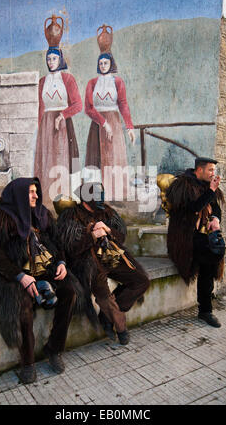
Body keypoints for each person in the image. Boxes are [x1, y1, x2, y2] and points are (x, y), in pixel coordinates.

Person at [0, 177, 83, 384]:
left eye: (36, 191)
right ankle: (27, 362)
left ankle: (54, 349)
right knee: (23, 304)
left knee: (69, 292)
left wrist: (61, 262)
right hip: (10, 273)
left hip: (43, 268)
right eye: (31, 192)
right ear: (18, 195)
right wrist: (20, 276)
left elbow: (57, 241)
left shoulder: (42, 215)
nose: (36, 195)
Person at [56, 182, 150, 344]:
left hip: (112, 257)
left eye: (102, 194)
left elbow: (121, 235)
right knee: (102, 291)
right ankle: (121, 328)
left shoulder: (107, 212)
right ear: (86, 198)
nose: (101, 198)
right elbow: (70, 247)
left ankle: (106, 316)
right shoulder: (71, 215)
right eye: (97, 195)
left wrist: (107, 230)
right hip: (87, 262)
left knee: (141, 280)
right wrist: (92, 235)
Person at [166, 157, 226, 327]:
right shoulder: (181, 186)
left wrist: (215, 218)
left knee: (212, 262)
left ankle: (205, 311)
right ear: (199, 170)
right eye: (210, 170)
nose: (213, 174)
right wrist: (211, 190)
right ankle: (206, 309)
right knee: (206, 260)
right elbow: (193, 208)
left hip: (204, 235)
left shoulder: (209, 187)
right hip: (186, 237)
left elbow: (216, 208)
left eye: (214, 170)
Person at [34, 47, 82, 207]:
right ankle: (45, 202)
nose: (51, 62)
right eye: (48, 59)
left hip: (63, 127)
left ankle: (65, 201)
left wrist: (62, 115)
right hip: (46, 127)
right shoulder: (42, 81)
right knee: (46, 163)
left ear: (60, 60)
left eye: (54, 59)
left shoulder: (67, 79)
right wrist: (38, 127)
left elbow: (78, 104)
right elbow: (40, 108)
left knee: (62, 161)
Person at [84, 52, 135, 200]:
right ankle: (95, 197)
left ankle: (115, 196)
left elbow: (123, 105)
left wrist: (130, 127)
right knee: (95, 159)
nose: (103, 66)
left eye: (106, 63)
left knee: (113, 159)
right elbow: (88, 108)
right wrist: (103, 123)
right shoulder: (92, 83)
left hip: (114, 122)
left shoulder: (117, 82)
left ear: (111, 64)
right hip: (97, 125)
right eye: (100, 63)